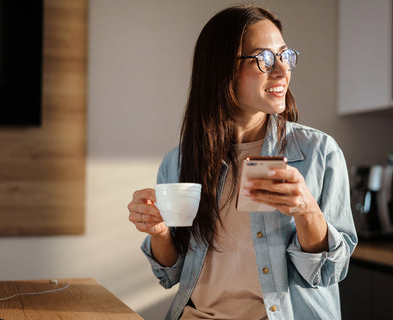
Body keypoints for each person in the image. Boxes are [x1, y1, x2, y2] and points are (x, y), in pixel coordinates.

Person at [128, 5, 357, 320]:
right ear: (222, 69)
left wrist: (306, 211)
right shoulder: (179, 160)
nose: (281, 70)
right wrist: (158, 230)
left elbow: (331, 271)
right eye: (264, 58)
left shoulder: (319, 152)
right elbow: (171, 272)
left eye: (284, 55)